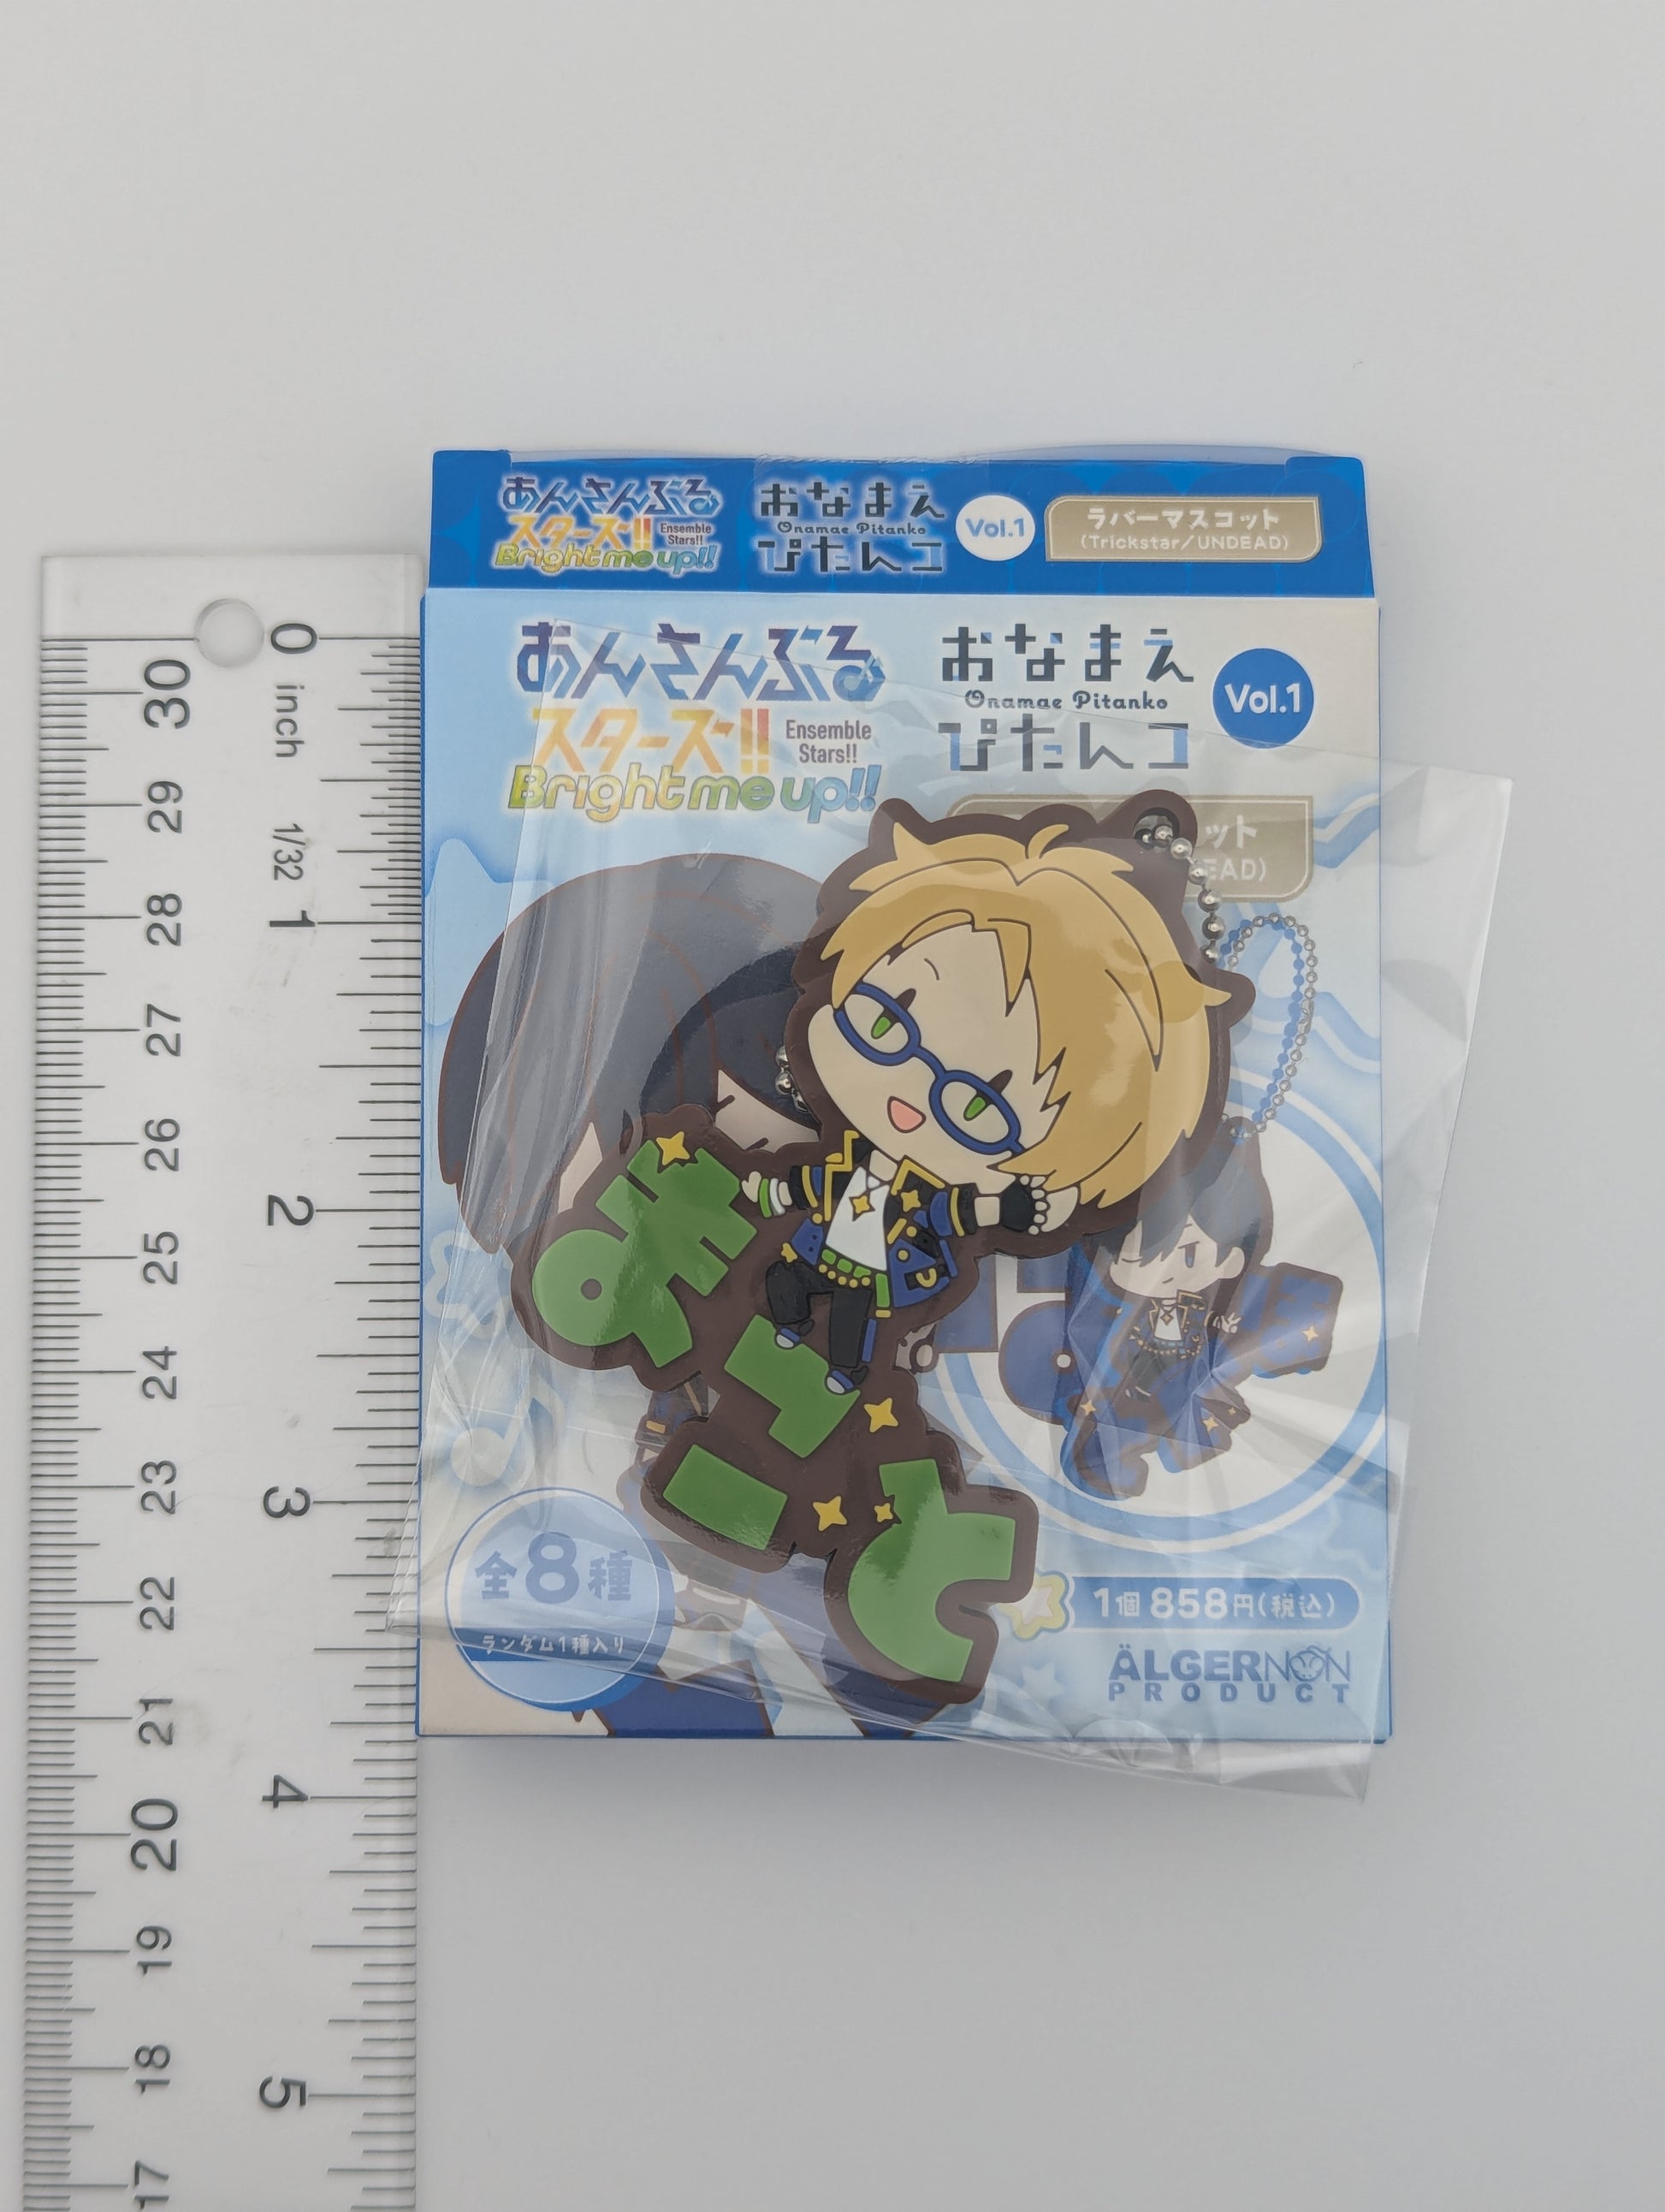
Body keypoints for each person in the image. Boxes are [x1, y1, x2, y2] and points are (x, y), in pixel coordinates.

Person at [744, 806, 1235, 1393]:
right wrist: (775, 1193)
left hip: (878, 1273)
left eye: (979, 1107)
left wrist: (1013, 1208)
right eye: (885, 1024)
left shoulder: (925, 1192)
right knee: (787, 1282)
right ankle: (791, 1324)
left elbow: (957, 1212)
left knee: (851, 1323)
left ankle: (844, 1372)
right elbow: (819, 1184)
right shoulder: (851, 1156)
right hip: (819, 1248)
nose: (913, 1088)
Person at [1000, 1120, 1342, 1498]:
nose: (1159, 1270)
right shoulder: (1105, 1306)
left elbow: (1280, 1317)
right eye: (1136, 1256)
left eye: (1189, 1254)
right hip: (1136, 1383)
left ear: (1231, 1260)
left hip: (1183, 1392)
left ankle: (1148, 1443)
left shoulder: (1230, 1305)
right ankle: (1112, 1453)